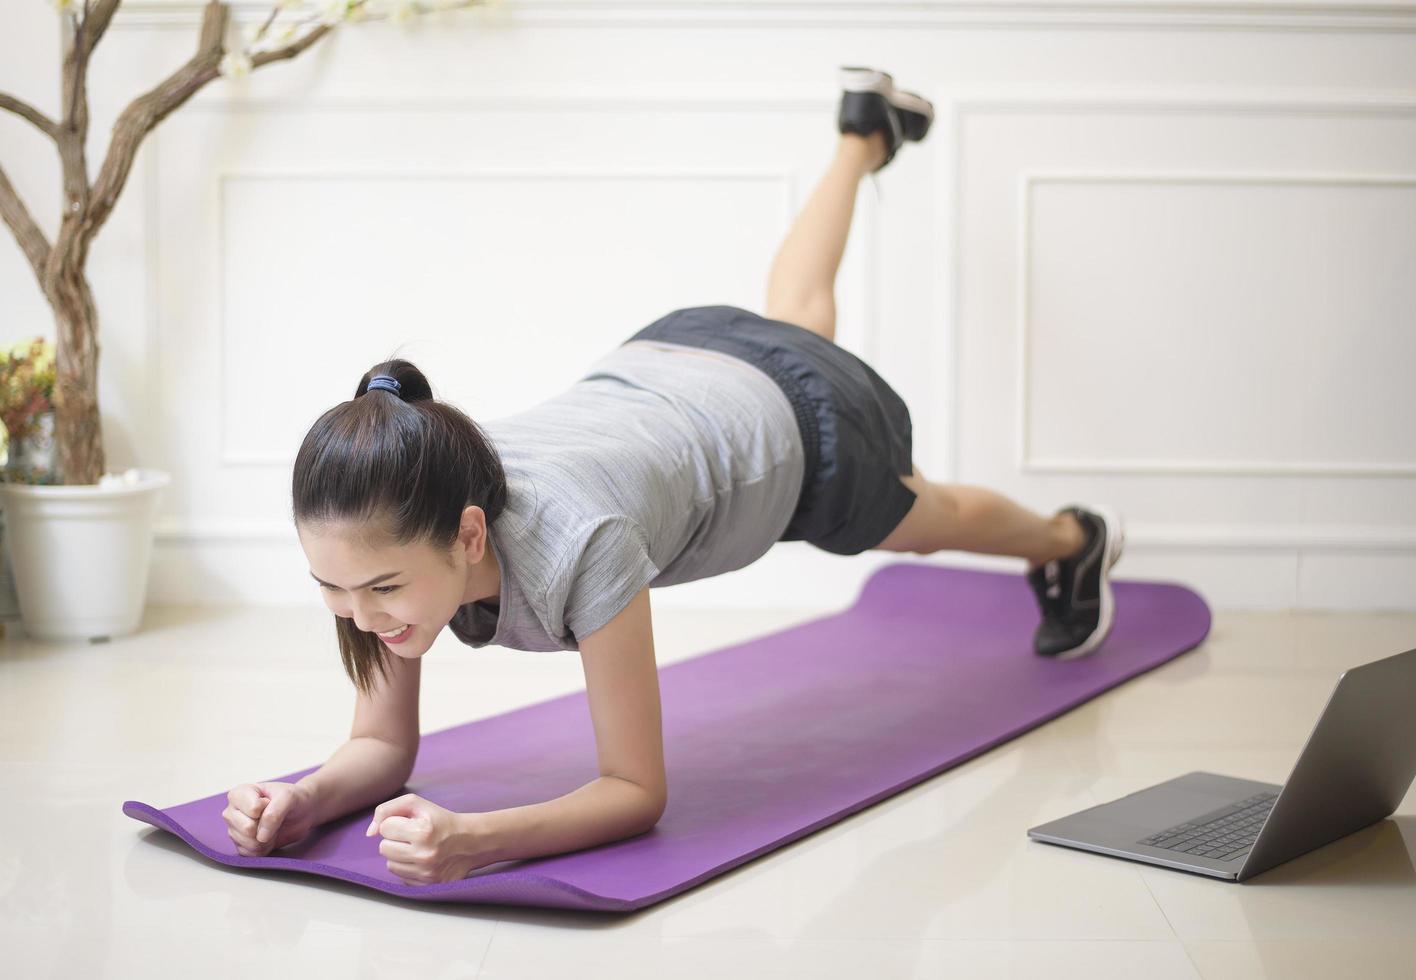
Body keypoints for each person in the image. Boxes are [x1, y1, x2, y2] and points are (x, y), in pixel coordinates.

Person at [219, 66, 1124, 883]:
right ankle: (864, 134)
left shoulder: (584, 543)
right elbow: (378, 744)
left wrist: (477, 838)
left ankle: (1072, 540)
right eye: (332, 591)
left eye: (378, 589)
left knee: (929, 520)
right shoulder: (402, 496)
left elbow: (633, 788)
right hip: (667, 362)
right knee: (799, 311)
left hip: (791, 437)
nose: (363, 615)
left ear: (468, 533)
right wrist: (304, 797)